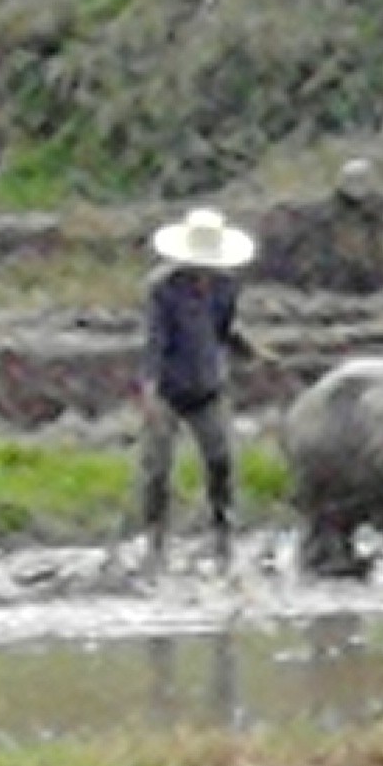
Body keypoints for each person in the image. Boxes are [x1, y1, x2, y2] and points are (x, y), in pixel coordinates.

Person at [137, 205, 256, 571]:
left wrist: (245, 348)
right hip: (169, 389)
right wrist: (150, 391)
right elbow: (155, 341)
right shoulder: (162, 289)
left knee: (220, 461)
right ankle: (155, 539)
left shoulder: (226, 288)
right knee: (157, 467)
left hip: (208, 387)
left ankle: (223, 533)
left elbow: (221, 330)